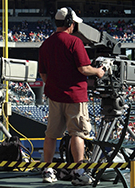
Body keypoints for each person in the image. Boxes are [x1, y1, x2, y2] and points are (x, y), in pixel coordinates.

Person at [38, 7, 105, 185]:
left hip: (54, 96)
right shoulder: (74, 42)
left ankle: (47, 169)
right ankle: (78, 171)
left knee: (51, 134)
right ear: (70, 23)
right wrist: (98, 71)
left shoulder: (46, 44)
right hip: (75, 96)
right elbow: (84, 68)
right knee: (77, 133)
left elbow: (43, 75)